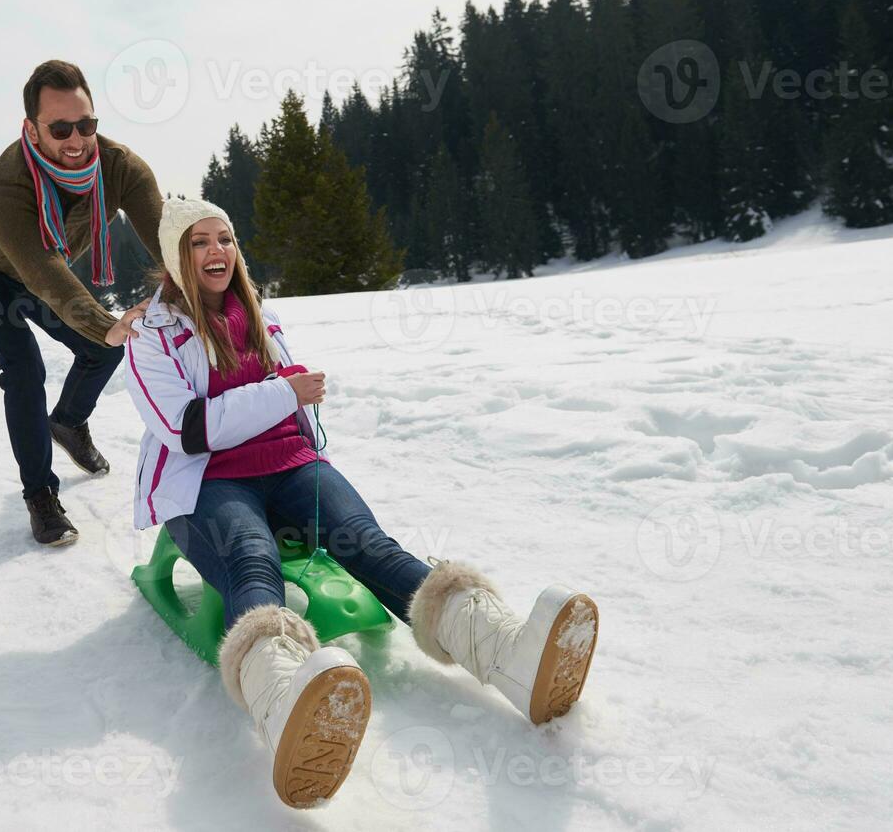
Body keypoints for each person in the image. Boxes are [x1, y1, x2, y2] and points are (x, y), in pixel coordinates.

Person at [123, 199, 601, 809]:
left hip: (290, 466)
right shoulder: (152, 335)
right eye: (199, 243)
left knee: (367, 543)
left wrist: (288, 393)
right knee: (250, 557)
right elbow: (187, 428)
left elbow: (287, 388)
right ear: (175, 257)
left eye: (226, 238)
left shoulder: (258, 315)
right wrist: (282, 392)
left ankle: (508, 653)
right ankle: (281, 700)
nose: (217, 252)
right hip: (206, 484)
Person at [0, 60, 162, 547]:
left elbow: (168, 239)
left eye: (86, 125)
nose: (76, 140)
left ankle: (68, 421)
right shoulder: (5, 184)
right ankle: (41, 495)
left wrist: (211, 292)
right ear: (31, 130)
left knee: (103, 350)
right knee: (23, 364)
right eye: (60, 128)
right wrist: (107, 323)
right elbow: (44, 274)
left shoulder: (119, 168)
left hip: (36, 269)